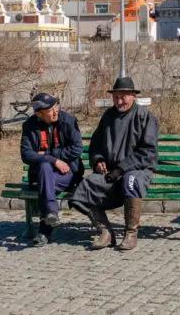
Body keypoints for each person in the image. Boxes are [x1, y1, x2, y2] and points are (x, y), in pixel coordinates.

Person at [69, 76, 158, 252]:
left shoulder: (145, 116)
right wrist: (98, 159)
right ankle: (105, 231)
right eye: (116, 97)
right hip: (111, 173)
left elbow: (148, 152)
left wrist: (122, 169)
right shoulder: (108, 116)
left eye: (123, 96)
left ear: (133, 96)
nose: (119, 101)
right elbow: (95, 144)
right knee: (85, 187)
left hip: (137, 170)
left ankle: (131, 233)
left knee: (130, 181)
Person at [19, 93, 83, 247]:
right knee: (44, 166)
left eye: (56, 107)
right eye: (50, 111)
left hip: (67, 174)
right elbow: (26, 154)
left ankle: (45, 229)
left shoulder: (68, 121)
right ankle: (51, 214)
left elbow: (77, 149)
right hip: (41, 173)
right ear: (39, 114)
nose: (55, 112)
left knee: (45, 178)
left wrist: (47, 155)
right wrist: (54, 160)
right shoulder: (30, 125)